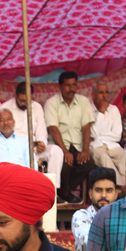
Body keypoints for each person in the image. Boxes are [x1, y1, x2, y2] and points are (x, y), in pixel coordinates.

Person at [45, 71, 95, 203]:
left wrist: (85, 150)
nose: (71, 89)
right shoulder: (52, 103)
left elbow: (86, 127)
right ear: (60, 86)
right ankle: (65, 193)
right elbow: (53, 129)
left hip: (77, 146)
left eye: (74, 85)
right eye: (67, 85)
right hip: (59, 145)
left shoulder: (83, 101)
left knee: (89, 163)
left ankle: (64, 191)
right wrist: (65, 151)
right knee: (65, 164)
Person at [0, 82, 63, 186]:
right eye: (22, 101)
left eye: (29, 101)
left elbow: (41, 133)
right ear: (15, 96)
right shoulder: (5, 108)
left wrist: (42, 144)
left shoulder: (37, 107)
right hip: (15, 151)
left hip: (34, 149)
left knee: (56, 151)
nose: (26, 104)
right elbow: (0, 136)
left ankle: (52, 188)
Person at [71, 167, 117, 251]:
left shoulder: (122, 216)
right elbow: (90, 241)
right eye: (98, 190)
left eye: (109, 190)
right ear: (91, 194)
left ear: (116, 194)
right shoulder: (81, 216)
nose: (103, 195)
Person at [89, 82, 126, 173]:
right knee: (103, 157)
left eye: (106, 92)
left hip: (112, 146)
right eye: (101, 93)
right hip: (95, 147)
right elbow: (93, 134)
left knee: (123, 154)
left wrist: (97, 137)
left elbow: (117, 136)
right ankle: (119, 182)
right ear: (93, 95)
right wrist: (101, 112)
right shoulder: (87, 110)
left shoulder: (114, 109)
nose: (104, 96)